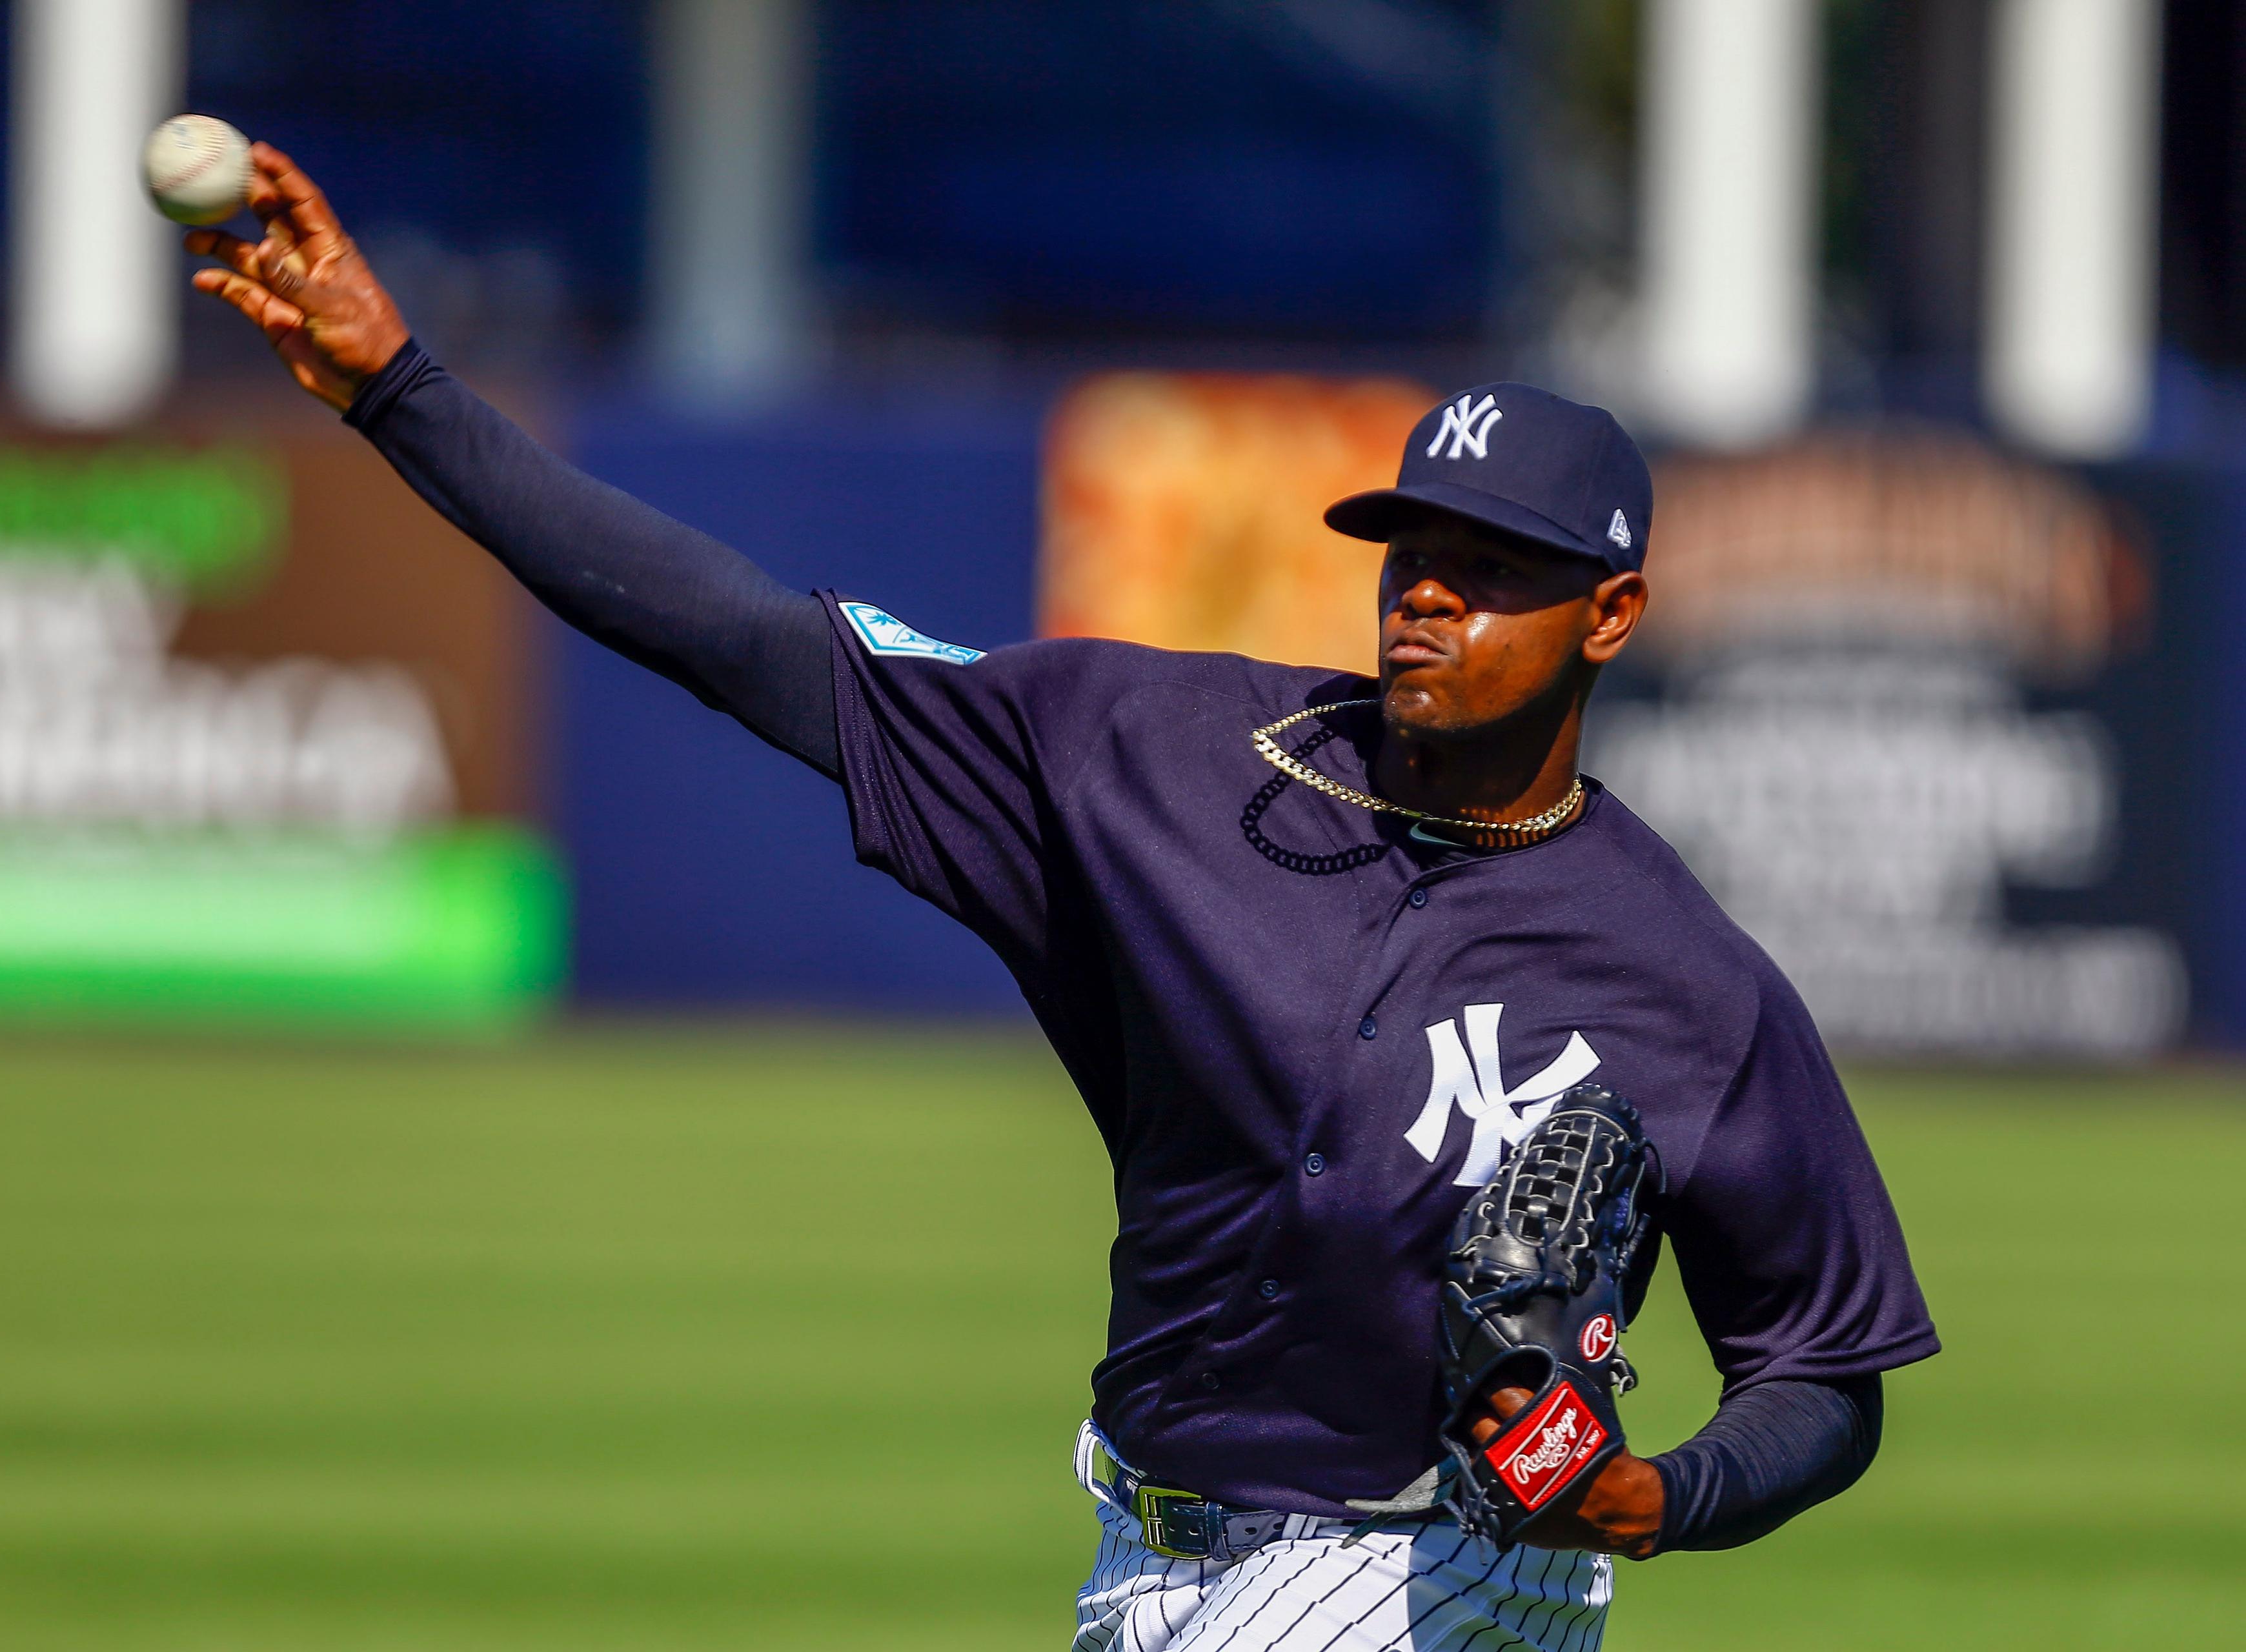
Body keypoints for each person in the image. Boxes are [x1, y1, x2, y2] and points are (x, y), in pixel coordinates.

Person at [185, 145, 1939, 1651]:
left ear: (1608, 620)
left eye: (1495, 573)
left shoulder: (1684, 985)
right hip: (1140, 1556)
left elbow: (1823, 1364)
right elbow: (742, 639)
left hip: (1433, 1574)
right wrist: (401, 391)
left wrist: (1661, 1495)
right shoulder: (1160, 760)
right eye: (1415, 549)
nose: (1426, 597)